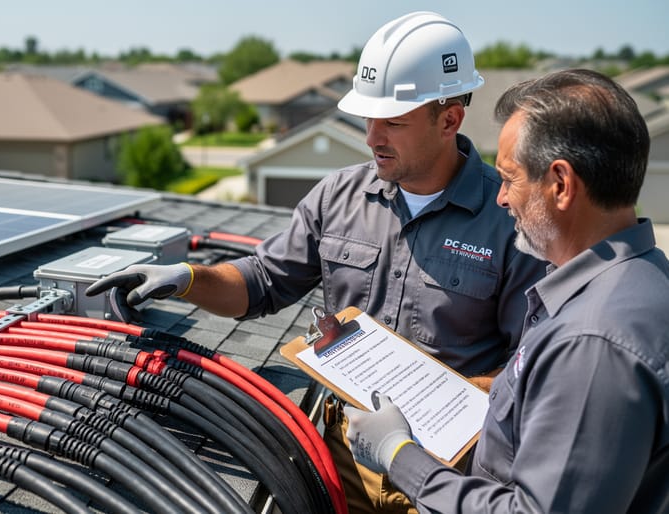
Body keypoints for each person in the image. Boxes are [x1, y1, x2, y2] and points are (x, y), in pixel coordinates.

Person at [87, 11, 546, 513]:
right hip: (339, 458)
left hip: (440, 474)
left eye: (392, 121)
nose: (372, 137)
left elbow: (530, 369)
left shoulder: (508, 220)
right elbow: (263, 281)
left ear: (449, 120)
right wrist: (186, 279)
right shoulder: (338, 197)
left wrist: (434, 402)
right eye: (368, 119)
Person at [345, 68, 669, 513]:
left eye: (511, 178)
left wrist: (400, 457)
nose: (500, 198)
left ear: (560, 185)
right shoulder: (638, 280)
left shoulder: (593, 344)